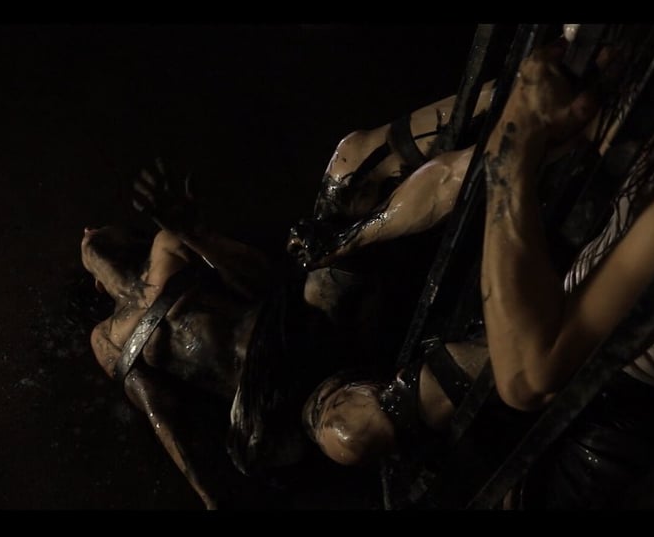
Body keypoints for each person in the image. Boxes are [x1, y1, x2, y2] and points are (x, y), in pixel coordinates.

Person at [300, 24, 654, 509]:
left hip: (637, 402)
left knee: (367, 432)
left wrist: (511, 155)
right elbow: (450, 176)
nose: (568, 34)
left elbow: (530, 375)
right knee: (352, 428)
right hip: (583, 332)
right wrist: (349, 240)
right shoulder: (628, 88)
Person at [80, 73, 499, 508]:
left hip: (305, 315)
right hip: (288, 397)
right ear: (96, 284)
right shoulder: (108, 339)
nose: (87, 231)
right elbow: (162, 415)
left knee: (350, 162)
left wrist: (196, 234)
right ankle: (511, 344)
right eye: (85, 240)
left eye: (96, 227)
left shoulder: (167, 245)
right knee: (353, 432)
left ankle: (509, 96)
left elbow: (264, 279)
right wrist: (211, 498)